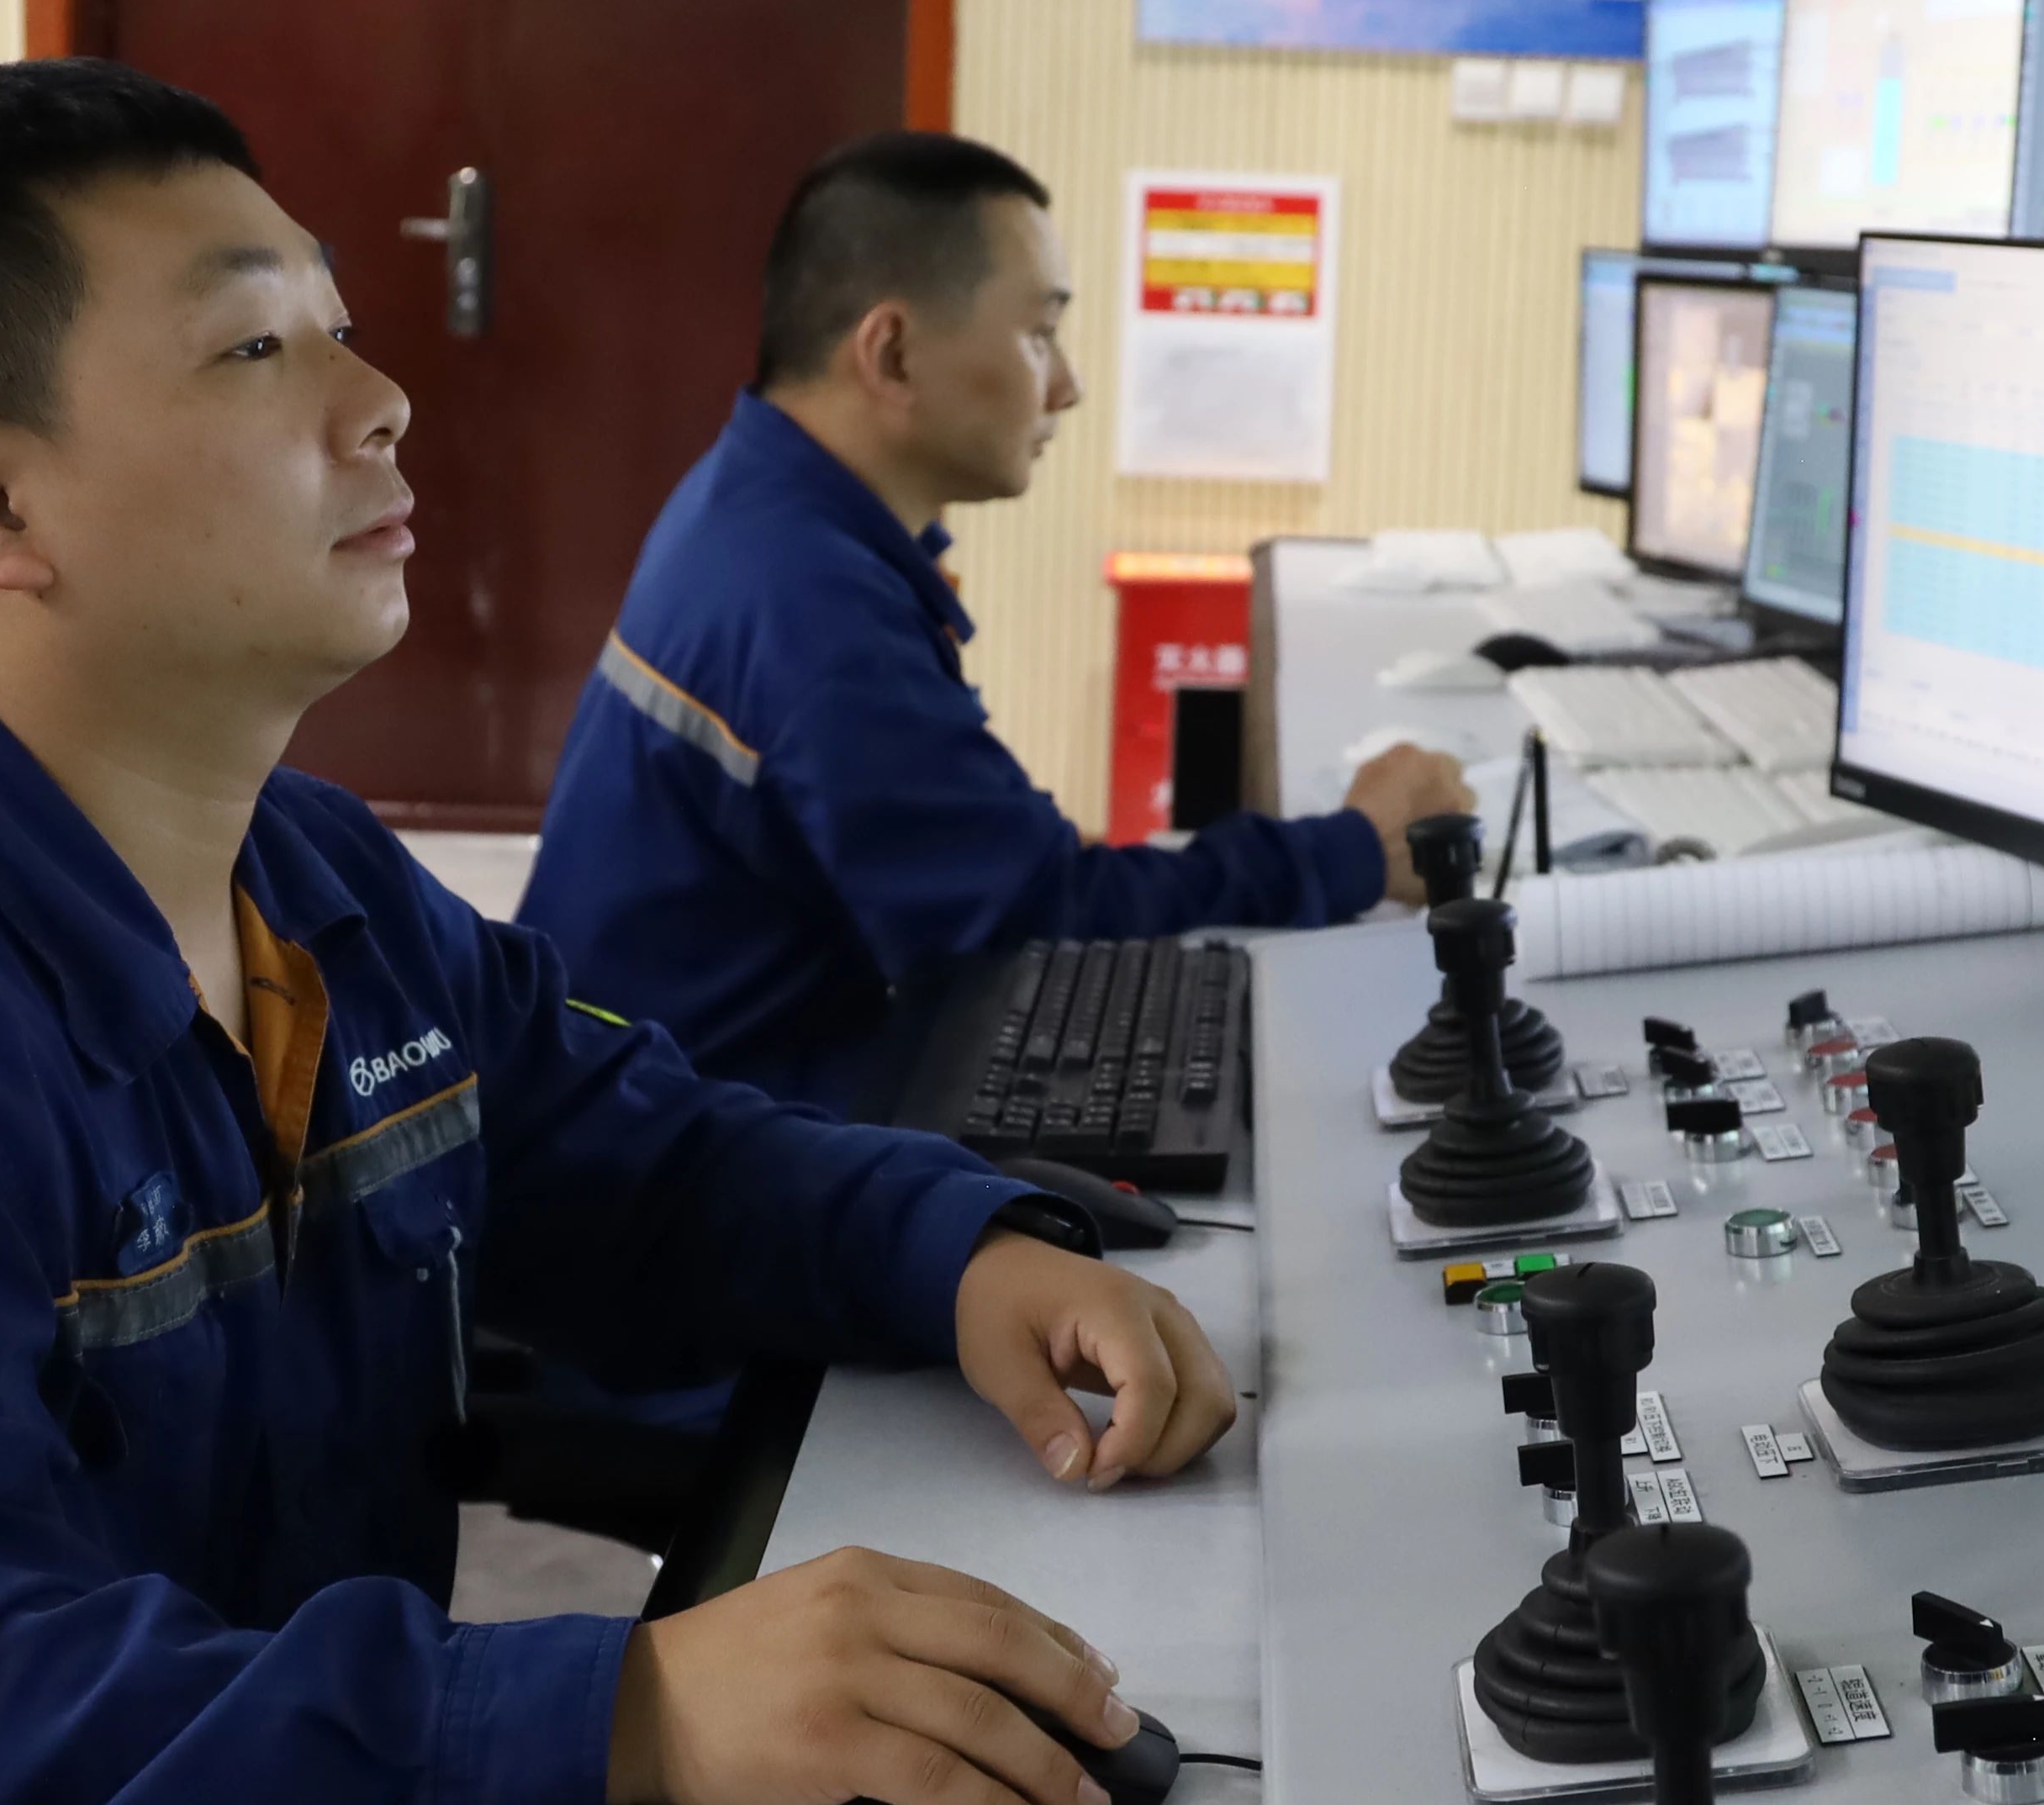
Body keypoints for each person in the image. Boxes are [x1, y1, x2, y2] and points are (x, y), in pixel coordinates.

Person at [0, 61, 1234, 1805]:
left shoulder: (306, 872)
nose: (378, 401)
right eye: (251, 350)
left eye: (340, 327)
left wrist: (957, 1249)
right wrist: (626, 1707)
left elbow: (629, 1153)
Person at [519, 133, 1473, 1111]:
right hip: (675, 1136)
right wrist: (1356, 849)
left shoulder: (757, 501)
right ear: (892, 352)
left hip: (674, 1074)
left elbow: (989, 871)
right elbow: (1029, 922)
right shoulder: (808, 600)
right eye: (1039, 334)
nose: (1067, 386)